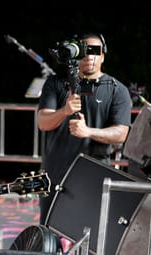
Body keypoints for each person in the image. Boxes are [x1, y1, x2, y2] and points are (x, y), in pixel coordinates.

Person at [37, 33, 132, 224]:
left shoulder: (117, 90)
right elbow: (43, 122)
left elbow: (121, 133)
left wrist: (88, 131)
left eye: (95, 51)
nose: (89, 57)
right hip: (54, 175)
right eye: (84, 51)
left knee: (90, 238)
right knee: (48, 236)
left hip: (93, 177)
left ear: (103, 55)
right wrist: (64, 110)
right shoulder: (56, 83)